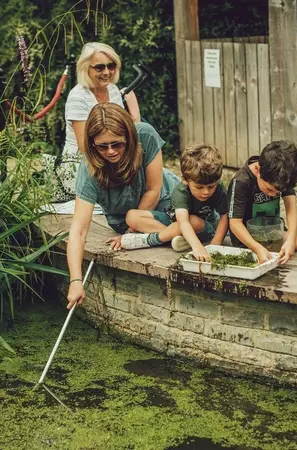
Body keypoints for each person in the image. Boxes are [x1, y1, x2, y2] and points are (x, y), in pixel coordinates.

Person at [66, 103, 180, 309]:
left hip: (165, 201)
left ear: (128, 136)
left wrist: (131, 234)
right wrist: (75, 280)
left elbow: (153, 189)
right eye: (102, 146)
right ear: (92, 144)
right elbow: (79, 230)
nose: (110, 152)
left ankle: (179, 231)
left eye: (117, 144)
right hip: (123, 221)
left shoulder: (145, 134)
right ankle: (176, 234)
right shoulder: (88, 170)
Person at [45, 42, 141, 203]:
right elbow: (84, 147)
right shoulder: (78, 97)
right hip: (84, 163)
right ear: (86, 68)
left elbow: (126, 130)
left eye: (111, 66)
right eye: (99, 67)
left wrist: (134, 109)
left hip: (110, 156)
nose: (107, 72)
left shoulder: (113, 90)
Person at [117, 144, 229, 260]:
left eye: (211, 187)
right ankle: (176, 237)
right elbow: (182, 222)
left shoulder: (219, 189)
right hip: (175, 221)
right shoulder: (180, 192)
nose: (206, 192)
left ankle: (151, 240)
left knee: (192, 220)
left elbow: (224, 216)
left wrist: (215, 244)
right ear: (185, 180)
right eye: (199, 187)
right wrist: (196, 246)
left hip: (203, 227)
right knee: (132, 216)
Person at [227, 140, 297, 265]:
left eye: (277, 192)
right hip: (247, 239)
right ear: (258, 170)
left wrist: (291, 240)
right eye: (269, 189)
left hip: (273, 233)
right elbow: (234, 223)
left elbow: (291, 208)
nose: (272, 194)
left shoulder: (284, 176)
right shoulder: (241, 182)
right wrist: (257, 248)